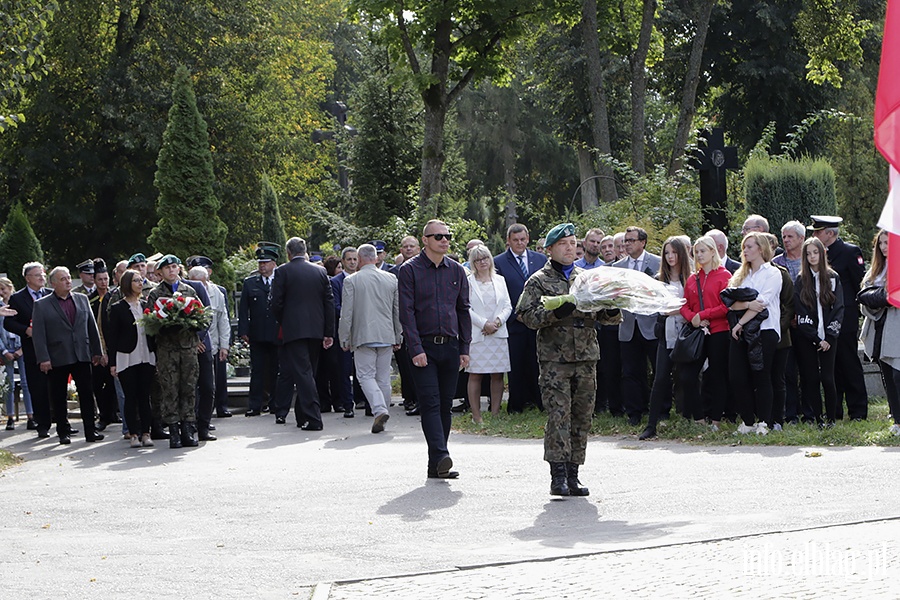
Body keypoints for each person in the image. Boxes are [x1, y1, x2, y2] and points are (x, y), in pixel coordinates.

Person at [517, 223, 601, 497]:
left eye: (573, 243)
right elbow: (526, 316)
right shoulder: (538, 280)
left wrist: (610, 307)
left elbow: (608, 319)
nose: (569, 248)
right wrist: (556, 313)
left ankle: (574, 473)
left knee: (582, 417)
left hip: (586, 358)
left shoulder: (586, 278)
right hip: (555, 361)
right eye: (563, 244)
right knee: (558, 416)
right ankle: (558, 475)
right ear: (550, 249)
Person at [398, 220, 471, 479]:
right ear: (425, 240)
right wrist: (415, 348)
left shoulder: (456, 271)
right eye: (438, 236)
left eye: (447, 236)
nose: (444, 240)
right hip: (424, 347)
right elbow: (406, 313)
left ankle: (436, 466)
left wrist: (465, 347)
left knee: (444, 406)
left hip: (450, 347)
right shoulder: (409, 270)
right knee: (429, 403)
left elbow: (463, 309)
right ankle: (441, 454)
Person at [32, 266, 104, 445]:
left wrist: (97, 351)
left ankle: (90, 430)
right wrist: (43, 358)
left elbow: (91, 326)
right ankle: (63, 431)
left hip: (81, 354)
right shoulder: (41, 305)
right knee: (58, 396)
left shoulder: (81, 299)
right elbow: (39, 334)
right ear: (53, 283)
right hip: (57, 356)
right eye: (62, 279)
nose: (67, 281)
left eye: (68, 278)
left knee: (87, 394)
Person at [270, 237, 335, 430]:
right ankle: (302, 416)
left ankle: (314, 419)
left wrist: (285, 320)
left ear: (288, 253)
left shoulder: (282, 271)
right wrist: (328, 331)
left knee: (303, 373)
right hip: (316, 330)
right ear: (305, 251)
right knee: (308, 373)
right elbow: (328, 303)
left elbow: (276, 303)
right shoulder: (321, 271)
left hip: (294, 330)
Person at [809, 215, 868, 420]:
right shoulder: (816, 254)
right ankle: (834, 411)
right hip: (823, 319)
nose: (815, 235)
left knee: (849, 364)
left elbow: (860, 284)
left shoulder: (849, 252)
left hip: (845, 318)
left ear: (830, 233)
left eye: (818, 232)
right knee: (831, 368)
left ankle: (858, 411)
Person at [339, 244, 402, 433]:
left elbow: (346, 313)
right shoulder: (391, 279)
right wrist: (398, 334)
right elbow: (396, 310)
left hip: (362, 335)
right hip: (386, 334)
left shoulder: (351, 280)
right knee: (383, 377)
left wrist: (344, 337)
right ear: (376, 258)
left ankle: (379, 410)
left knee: (365, 376)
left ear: (359, 258)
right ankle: (382, 412)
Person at [727, 232, 783, 435]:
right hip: (740, 332)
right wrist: (747, 304)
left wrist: (741, 320)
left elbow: (761, 304)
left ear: (761, 248)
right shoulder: (741, 275)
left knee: (761, 375)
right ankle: (748, 421)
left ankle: (764, 422)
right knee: (737, 376)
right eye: (744, 247)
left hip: (764, 330)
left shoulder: (772, 273)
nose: (745, 250)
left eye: (749, 246)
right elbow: (730, 302)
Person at [147, 255, 203, 448]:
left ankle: (188, 429)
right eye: (167, 268)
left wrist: (193, 327)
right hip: (167, 350)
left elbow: (201, 316)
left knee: (188, 388)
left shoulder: (189, 290)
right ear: (160, 272)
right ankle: (173, 431)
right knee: (169, 389)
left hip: (187, 348)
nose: (171, 271)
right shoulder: (155, 294)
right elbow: (149, 323)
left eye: (174, 267)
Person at [640, 237, 692, 440]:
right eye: (667, 253)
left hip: (687, 334)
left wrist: (679, 310)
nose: (670, 257)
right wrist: (674, 310)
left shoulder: (691, 278)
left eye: (674, 252)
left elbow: (692, 306)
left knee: (687, 378)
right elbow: (658, 309)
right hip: (666, 335)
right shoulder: (659, 279)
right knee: (660, 378)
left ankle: (690, 418)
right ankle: (651, 425)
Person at [493, 224, 547, 413]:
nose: (519, 243)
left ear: (528, 238)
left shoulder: (540, 259)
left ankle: (540, 402)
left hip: (538, 320)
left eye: (523, 239)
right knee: (516, 364)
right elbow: (498, 293)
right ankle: (517, 404)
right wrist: (516, 314)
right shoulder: (499, 262)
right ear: (508, 241)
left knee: (537, 362)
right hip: (514, 321)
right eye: (515, 240)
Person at [613, 226, 662, 425]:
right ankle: (635, 411)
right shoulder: (618, 267)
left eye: (631, 240)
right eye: (626, 241)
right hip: (628, 325)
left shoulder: (657, 262)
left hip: (650, 323)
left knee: (658, 369)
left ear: (643, 242)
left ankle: (661, 410)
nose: (627, 244)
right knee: (631, 371)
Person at [793, 237, 843, 426]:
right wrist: (814, 337)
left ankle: (831, 418)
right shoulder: (801, 280)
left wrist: (829, 336)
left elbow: (839, 308)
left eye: (815, 252)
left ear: (822, 254)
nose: (812, 256)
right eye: (808, 253)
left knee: (828, 378)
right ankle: (817, 418)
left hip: (829, 337)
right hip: (809, 338)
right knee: (811, 378)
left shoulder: (832, 277)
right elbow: (801, 311)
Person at [106, 269, 156, 448]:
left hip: (146, 355)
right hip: (127, 356)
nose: (140, 283)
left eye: (141, 280)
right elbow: (113, 337)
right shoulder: (118, 308)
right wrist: (112, 362)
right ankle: (133, 433)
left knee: (144, 396)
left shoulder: (145, 305)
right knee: (130, 396)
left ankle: (146, 433)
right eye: (136, 281)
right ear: (127, 284)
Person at [859, 230, 900, 436]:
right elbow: (864, 298)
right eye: (881, 243)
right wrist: (882, 299)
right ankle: (896, 418)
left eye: (888, 243)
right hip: (879, 328)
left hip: (897, 328)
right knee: (887, 375)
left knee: (897, 374)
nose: (884, 247)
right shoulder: (875, 271)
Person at [465, 244, 512, 423]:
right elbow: (465, 308)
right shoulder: (469, 281)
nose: (482, 262)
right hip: (478, 334)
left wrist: (498, 322)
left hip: (498, 333)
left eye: (484, 258)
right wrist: (484, 323)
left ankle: (495, 414)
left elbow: (508, 305)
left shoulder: (500, 280)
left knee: (497, 374)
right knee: (475, 374)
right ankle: (476, 416)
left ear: (490, 259)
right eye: (477, 260)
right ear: (473, 263)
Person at [5, 263, 52, 439]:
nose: (41, 278)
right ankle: (42, 424)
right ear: (27, 278)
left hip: (53, 349)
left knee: (56, 386)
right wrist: (26, 330)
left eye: (43, 274)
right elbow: (9, 322)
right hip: (32, 350)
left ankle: (62, 422)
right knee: (37, 387)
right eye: (37, 275)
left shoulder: (50, 295)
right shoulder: (18, 298)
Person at [238, 243, 280, 417]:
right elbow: (243, 310)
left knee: (275, 370)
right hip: (257, 333)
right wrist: (243, 331)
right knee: (257, 370)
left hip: (277, 333)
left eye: (266, 262)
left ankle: (275, 404)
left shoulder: (280, 281)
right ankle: (255, 405)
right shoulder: (250, 283)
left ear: (274, 263)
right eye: (260, 263)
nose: (262, 266)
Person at [772, 221, 805, 424]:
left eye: (790, 236)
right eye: (784, 236)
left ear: (801, 238)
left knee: (809, 372)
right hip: (785, 326)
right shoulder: (776, 263)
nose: (785, 240)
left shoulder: (809, 260)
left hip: (808, 324)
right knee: (788, 372)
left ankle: (810, 412)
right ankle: (790, 413)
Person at [391, 236, 422, 414]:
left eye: (412, 246)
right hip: (401, 324)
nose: (409, 249)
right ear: (401, 250)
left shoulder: (424, 268)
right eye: (405, 247)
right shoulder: (393, 272)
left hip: (422, 323)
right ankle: (409, 398)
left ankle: (420, 399)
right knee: (405, 364)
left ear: (418, 248)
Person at [0, 277, 32, 431]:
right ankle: (10, 417)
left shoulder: (18, 302)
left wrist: (22, 349)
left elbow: (23, 325)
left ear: (10, 288)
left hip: (20, 345)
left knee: (26, 383)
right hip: (6, 347)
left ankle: (31, 416)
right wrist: (4, 350)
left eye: (3, 289)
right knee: (9, 384)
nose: (1, 293)